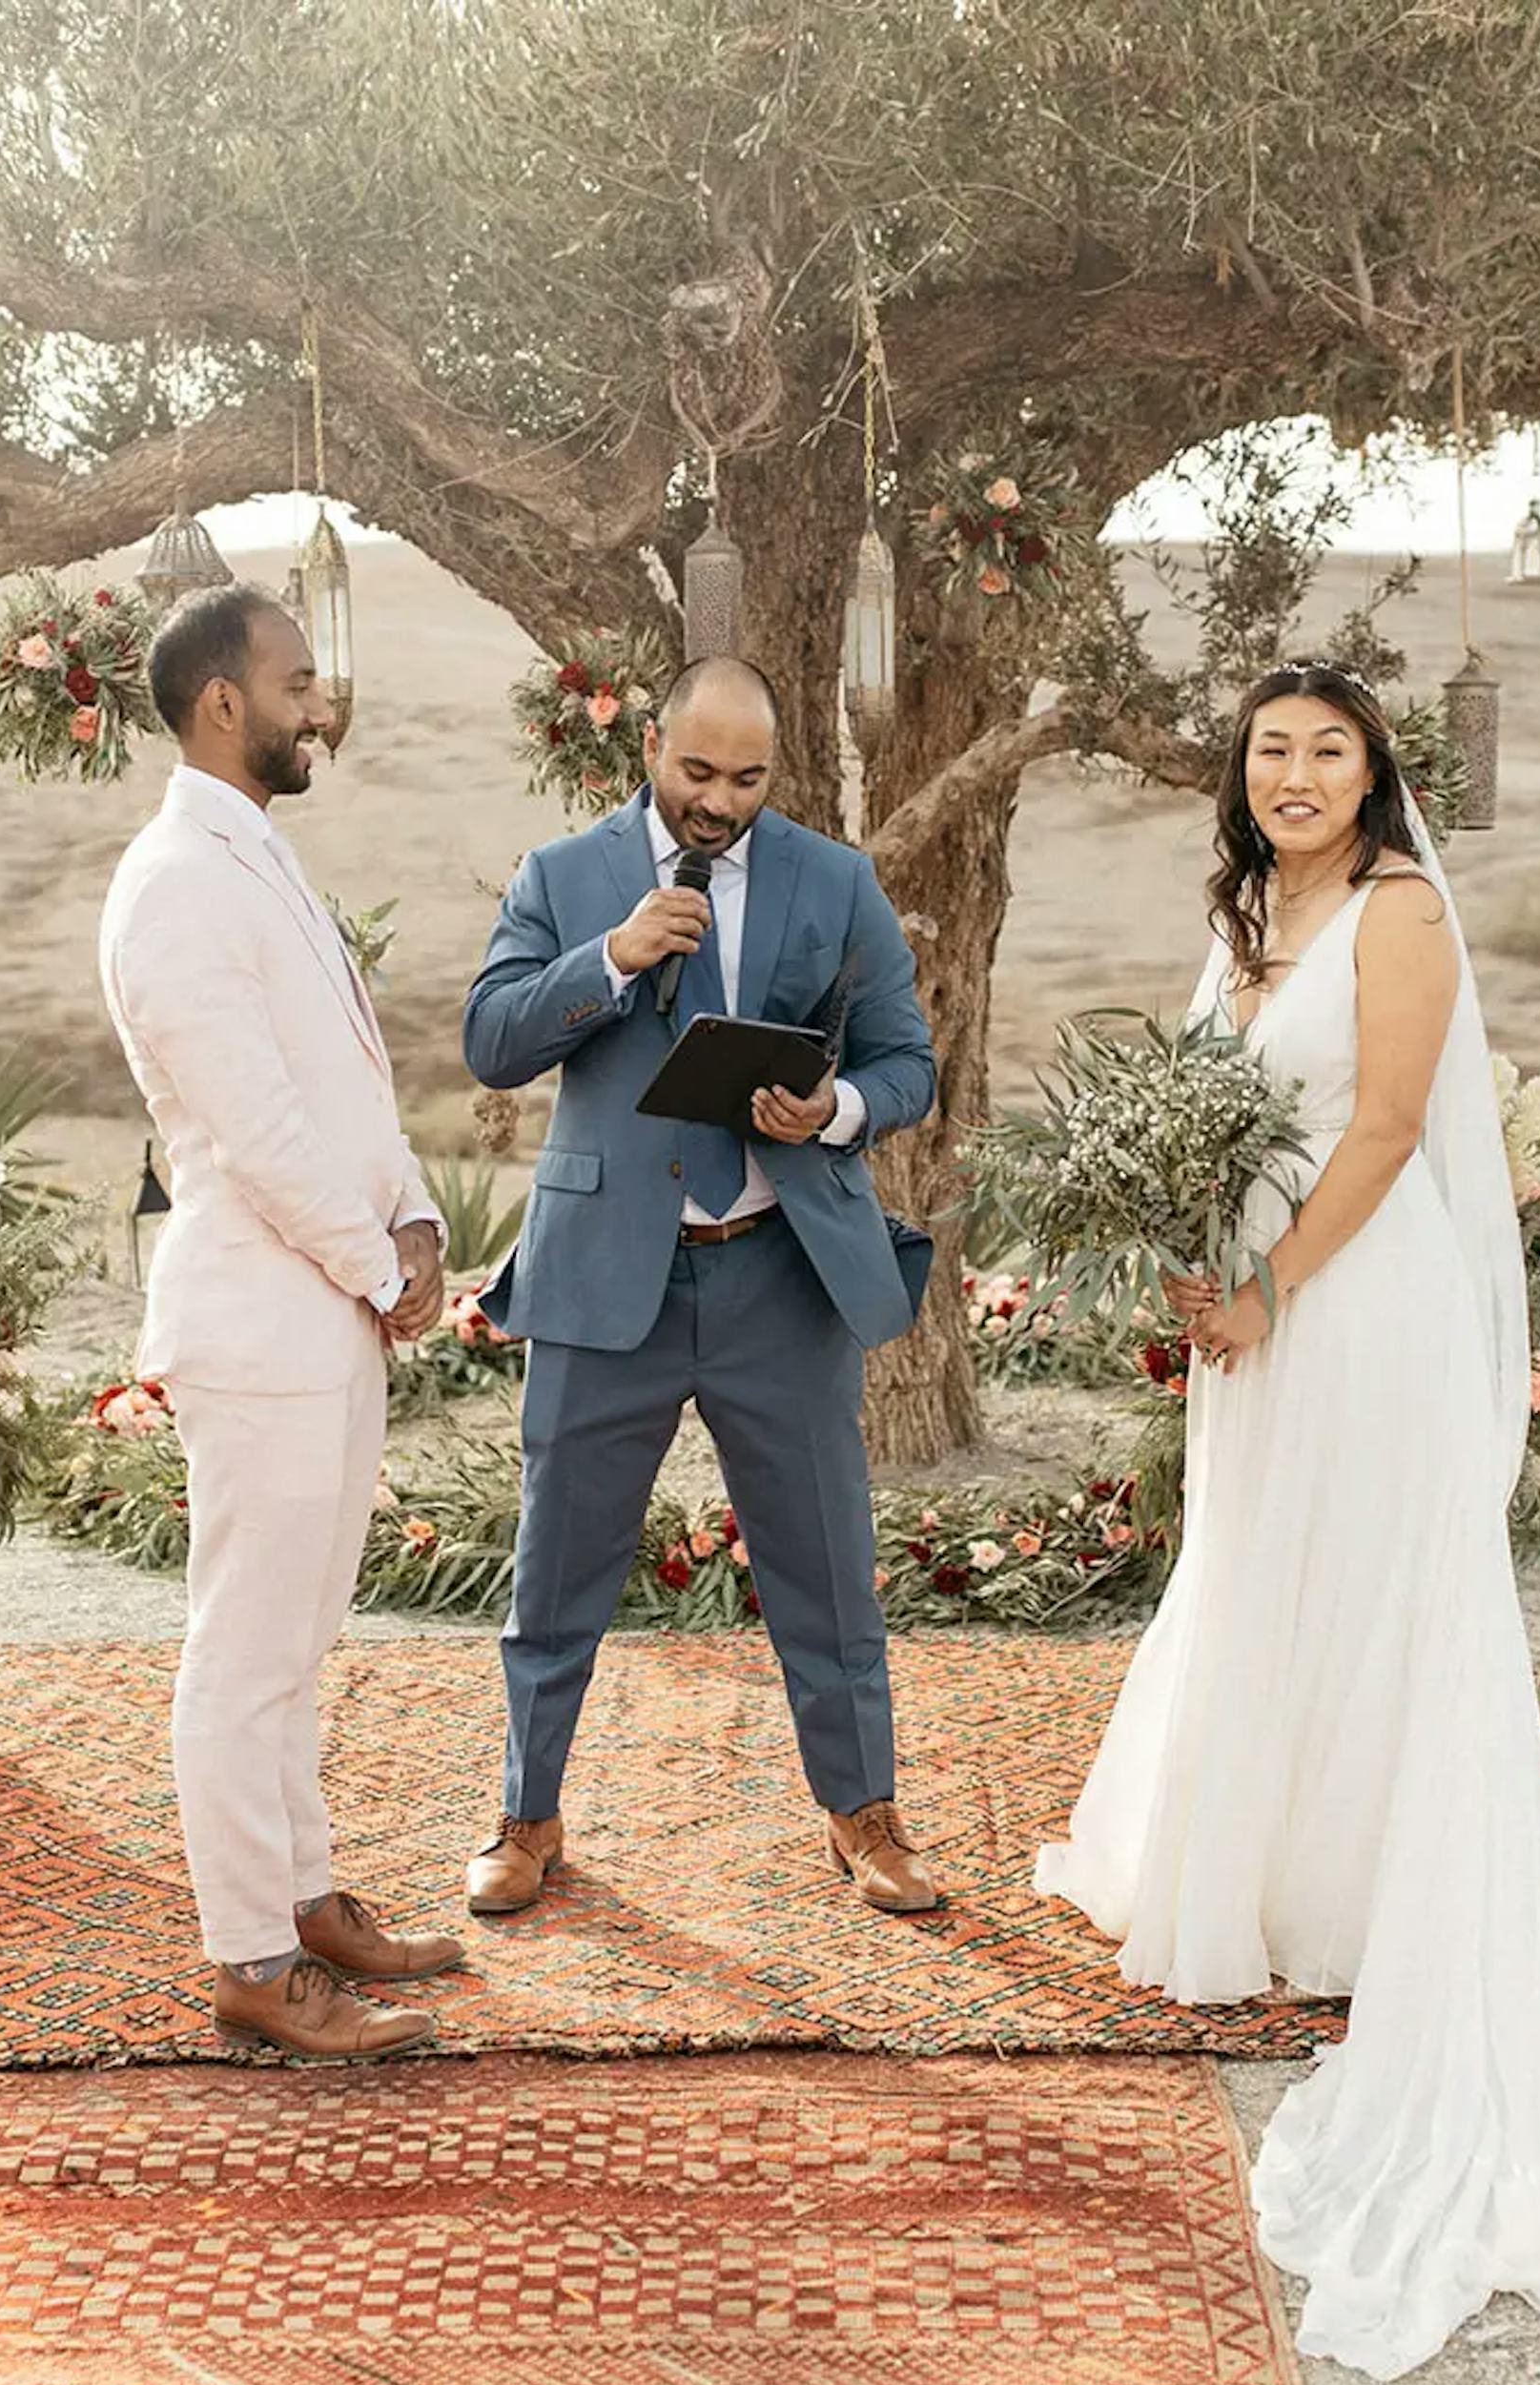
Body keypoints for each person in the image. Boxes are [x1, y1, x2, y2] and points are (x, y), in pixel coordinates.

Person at [1033, 662, 1540, 2375]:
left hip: (1355, 1306)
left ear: (1375, 776)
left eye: (1327, 751)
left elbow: (1383, 1129)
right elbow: (1201, 1121)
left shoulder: (1396, 915)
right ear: (1240, 778)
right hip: (1252, 1309)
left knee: (1370, 1586)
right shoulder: (1246, 915)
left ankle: (1370, 1895)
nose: (1295, 773)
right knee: (1257, 1569)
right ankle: (1266, 1871)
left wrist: (1275, 1283)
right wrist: (1195, 1255)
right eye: (1269, 751)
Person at [460, 658, 942, 1916]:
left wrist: (835, 1107)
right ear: (652, 745)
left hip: (779, 1276)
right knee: (555, 1562)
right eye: (697, 772)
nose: (720, 801)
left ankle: (865, 1812)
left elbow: (907, 1061)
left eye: (748, 778)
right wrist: (611, 958)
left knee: (826, 1564)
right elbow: (492, 1039)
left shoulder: (834, 881)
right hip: (602, 1279)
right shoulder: (561, 877)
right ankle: (527, 1813)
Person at [95, 584, 469, 2061]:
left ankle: (307, 1893)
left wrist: (421, 1211)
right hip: (264, 1319)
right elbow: (253, 1126)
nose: (320, 706)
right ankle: (251, 1956)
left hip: (328, 1314)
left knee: (302, 1637)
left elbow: (341, 1082)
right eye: (297, 682)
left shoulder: (258, 857)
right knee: (243, 1649)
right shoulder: (173, 882)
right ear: (221, 707)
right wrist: (380, 1268)